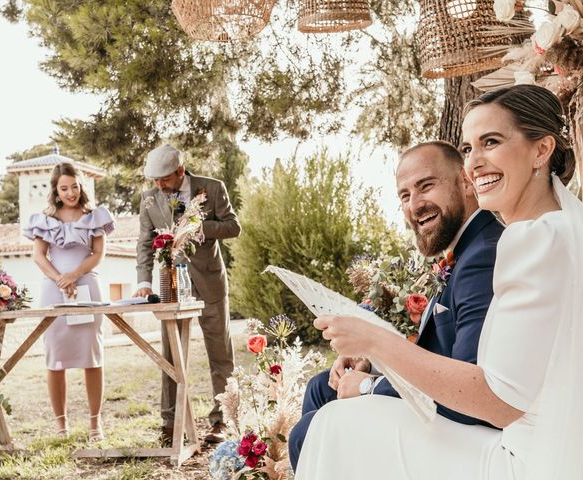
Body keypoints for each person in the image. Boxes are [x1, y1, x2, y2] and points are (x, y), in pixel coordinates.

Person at [295, 84, 580, 479]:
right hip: (546, 445)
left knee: (333, 426)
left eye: (491, 142)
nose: (474, 163)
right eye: (467, 149)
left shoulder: (532, 240)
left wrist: (375, 342)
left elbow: (501, 402)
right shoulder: (562, 230)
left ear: (541, 149)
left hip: (521, 461)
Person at [289, 141, 504, 470]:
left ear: (465, 181)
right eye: (404, 195)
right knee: (322, 386)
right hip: (445, 399)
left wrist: (370, 385)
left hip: (467, 429)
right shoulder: (461, 249)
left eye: (426, 186)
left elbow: (470, 391)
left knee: (309, 431)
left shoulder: (481, 256)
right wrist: (373, 361)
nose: (415, 204)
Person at [133, 144, 241, 444]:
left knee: (220, 354)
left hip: (209, 283)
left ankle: (224, 421)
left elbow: (234, 227)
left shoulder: (213, 188)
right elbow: (144, 244)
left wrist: (197, 227)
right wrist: (144, 281)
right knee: (170, 356)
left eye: (164, 179)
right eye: (154, 179)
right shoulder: (149, 199)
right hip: (171, 285)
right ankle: (171, 423)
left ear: (180, 171)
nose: (158, 185)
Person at [24, 162, 115, 442]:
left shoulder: (94, 216)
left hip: (87, 287)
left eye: (74, 186)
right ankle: (61, 425)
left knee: (93, 356)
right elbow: (39, 256)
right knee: (55, 358)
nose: (71, 192)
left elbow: (98, 253)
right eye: (64, 188)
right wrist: (60, 279)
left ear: (81, 185)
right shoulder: (44, 219)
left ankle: (94, 424)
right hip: (54, 291)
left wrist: (74, 275)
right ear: (56, 189)